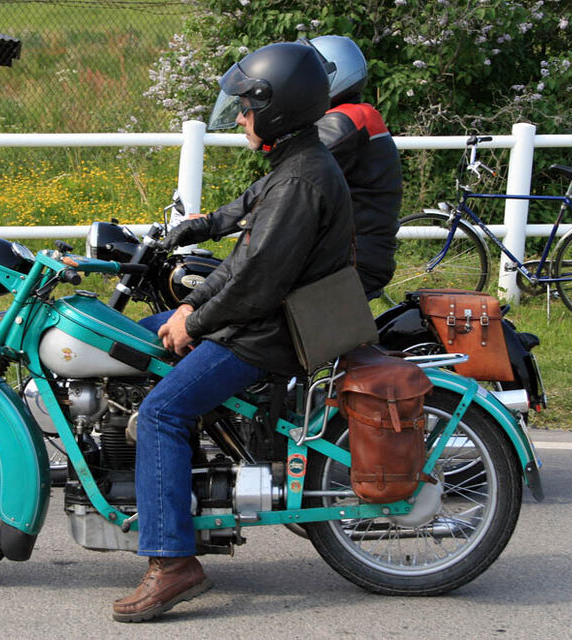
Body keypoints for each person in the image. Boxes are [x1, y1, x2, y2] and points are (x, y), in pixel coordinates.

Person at [113, 42, 353, 623]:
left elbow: (255, 283)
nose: (241, 116)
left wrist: (194, 320)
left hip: (267, 334)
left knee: (163, 411)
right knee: (128, 340)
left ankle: (173, 561)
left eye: (248, 106)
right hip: (260, 319)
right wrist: (190, 281)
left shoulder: (299, 183)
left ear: (277, 108)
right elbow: (243, 246)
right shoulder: (294, 164)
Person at [162, 35, 403, 299]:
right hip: (346, 252)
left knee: (245, 301)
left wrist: (212, 223)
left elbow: (283, 182)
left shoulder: (344, 122)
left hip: (351, 260)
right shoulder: (355, 117)